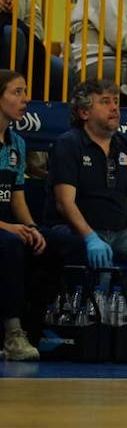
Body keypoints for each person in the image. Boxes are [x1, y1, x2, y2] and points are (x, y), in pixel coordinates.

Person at [46, 79, 127, 298]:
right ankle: (95, 316)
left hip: (119, 232)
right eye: (105, 102)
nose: (114, 108)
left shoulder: (126, 143)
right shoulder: (69, 143)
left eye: (116, 102)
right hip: (74, 230)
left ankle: (112, 302)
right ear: (84, 113)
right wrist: (90, 237)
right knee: (103, 266)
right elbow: (64, 202)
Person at [0, 70, 46, 361]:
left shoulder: (17, 143)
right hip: (3, 231)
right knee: (10, 243)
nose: (25, 99)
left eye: (25, 91)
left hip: (6, 226)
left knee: (42, 244)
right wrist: (8, 228)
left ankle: (37, 330)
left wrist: (30, 226)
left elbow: (16, 195)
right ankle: (12, 333)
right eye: (17, 92)